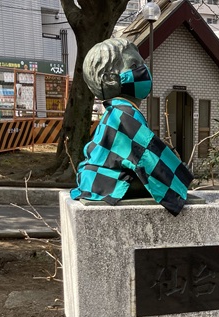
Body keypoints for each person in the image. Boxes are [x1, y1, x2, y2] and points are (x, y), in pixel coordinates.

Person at [71, 38, 192, 216]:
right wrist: (178, 175)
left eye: (142, 64)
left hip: (93, 179)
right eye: (134, 65)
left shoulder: (114, 110)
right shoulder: (124, 113)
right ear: (110, 79)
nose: (143, 70)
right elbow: (145, 153)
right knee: (170, 176)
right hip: (106, 183)